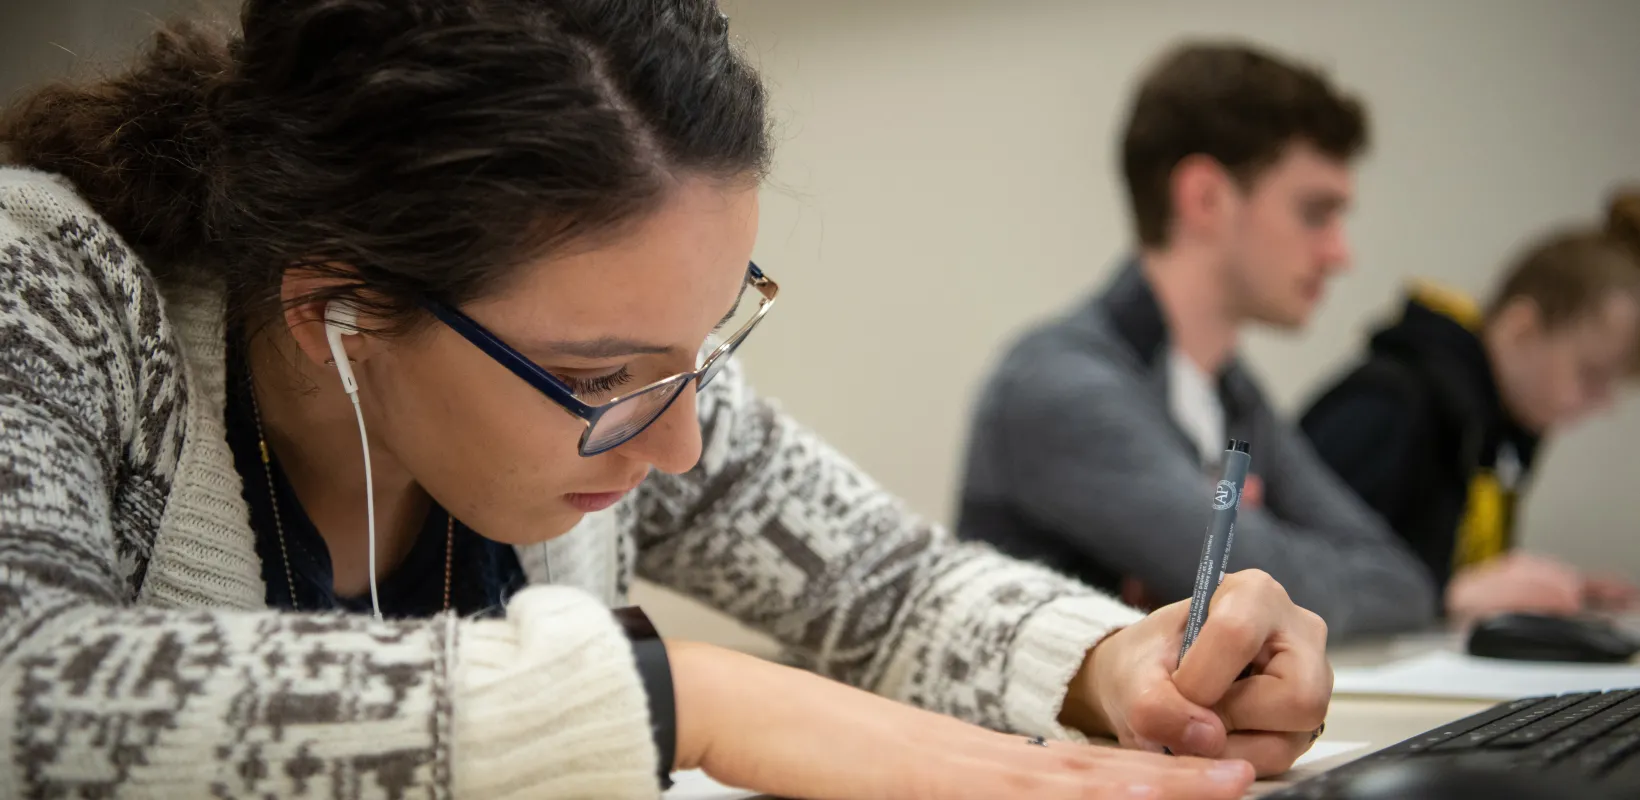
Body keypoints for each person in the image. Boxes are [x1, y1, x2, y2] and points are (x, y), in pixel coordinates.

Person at [0, 4, 1332, 798]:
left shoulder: (653, 386)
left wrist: (1119, 667)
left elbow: (887, 588)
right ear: (332, 314)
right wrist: (680, 700)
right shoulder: (47, 294)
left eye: (704, 345)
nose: (687, 439)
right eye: (598, 381)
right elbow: (27, 689)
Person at [957, 40, 1437, 640]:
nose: (1341, 254)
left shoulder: (1228, 389)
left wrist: (1256, 548)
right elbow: (1273, 587)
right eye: (1315, 213)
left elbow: (1399, 583)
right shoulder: (1060, 387)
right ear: (1205, 198)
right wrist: (1263, 550)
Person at [1301, 191, 1640, 624]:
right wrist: (1449, 593)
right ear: (1522, 328)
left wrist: (1546, 591)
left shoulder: (1497, 428)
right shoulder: (1390, 402)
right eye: (1591, 374)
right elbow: (1300, 572)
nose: (1604, 402)